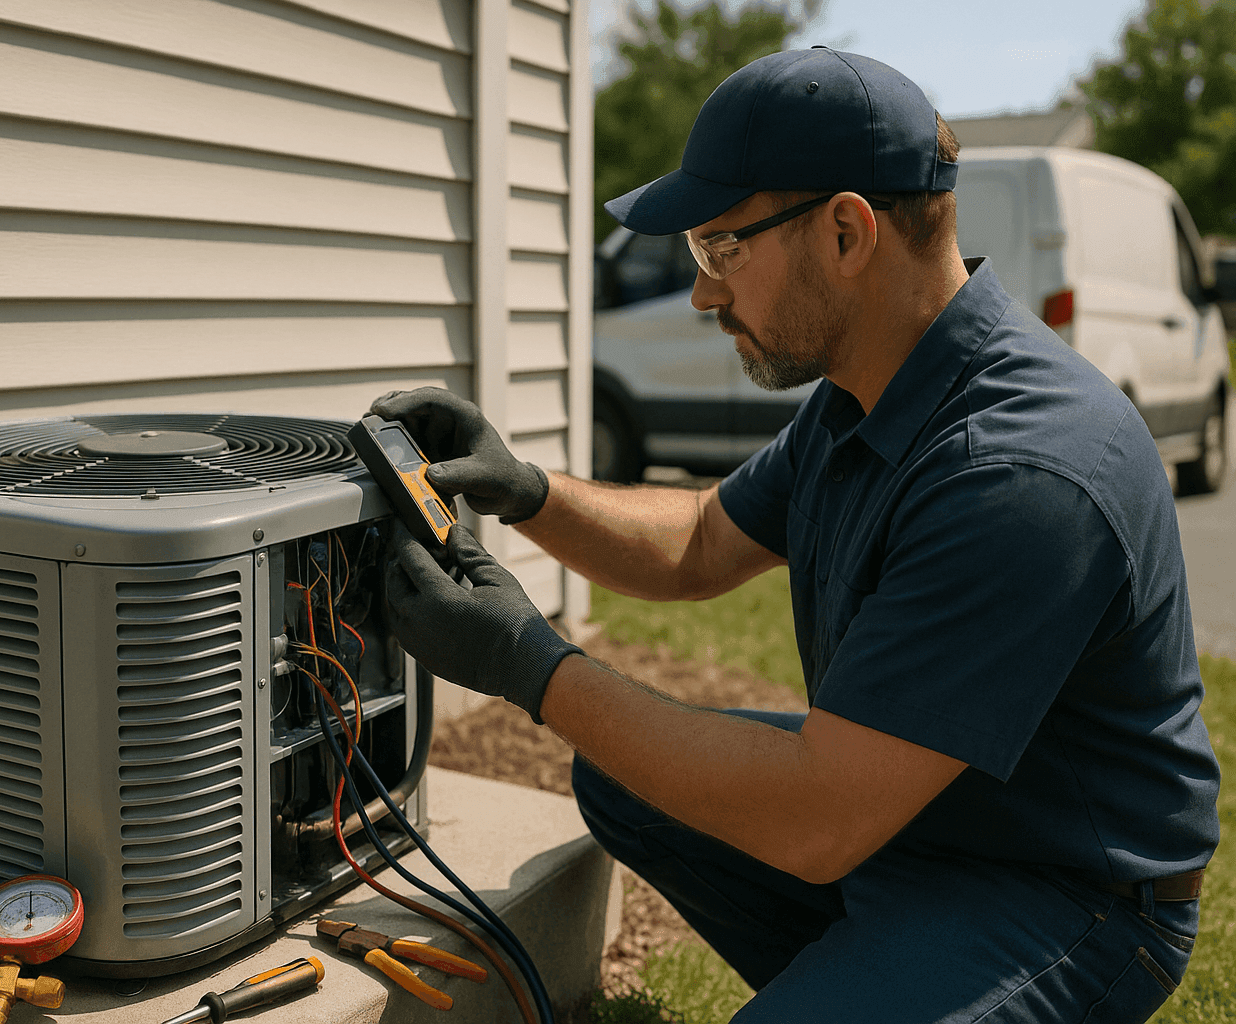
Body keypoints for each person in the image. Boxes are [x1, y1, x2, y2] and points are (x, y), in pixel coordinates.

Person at [376, 46, 1219, 1022]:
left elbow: (819, 819)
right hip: (923, 824)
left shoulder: (1021, 469)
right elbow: (699, 538)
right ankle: (884, 973)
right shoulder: (870, 392)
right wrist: (524, 490)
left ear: (848, 232)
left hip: (1067, 890)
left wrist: (529, 664)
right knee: (620, 769)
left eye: (720, 247)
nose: (701, 294)